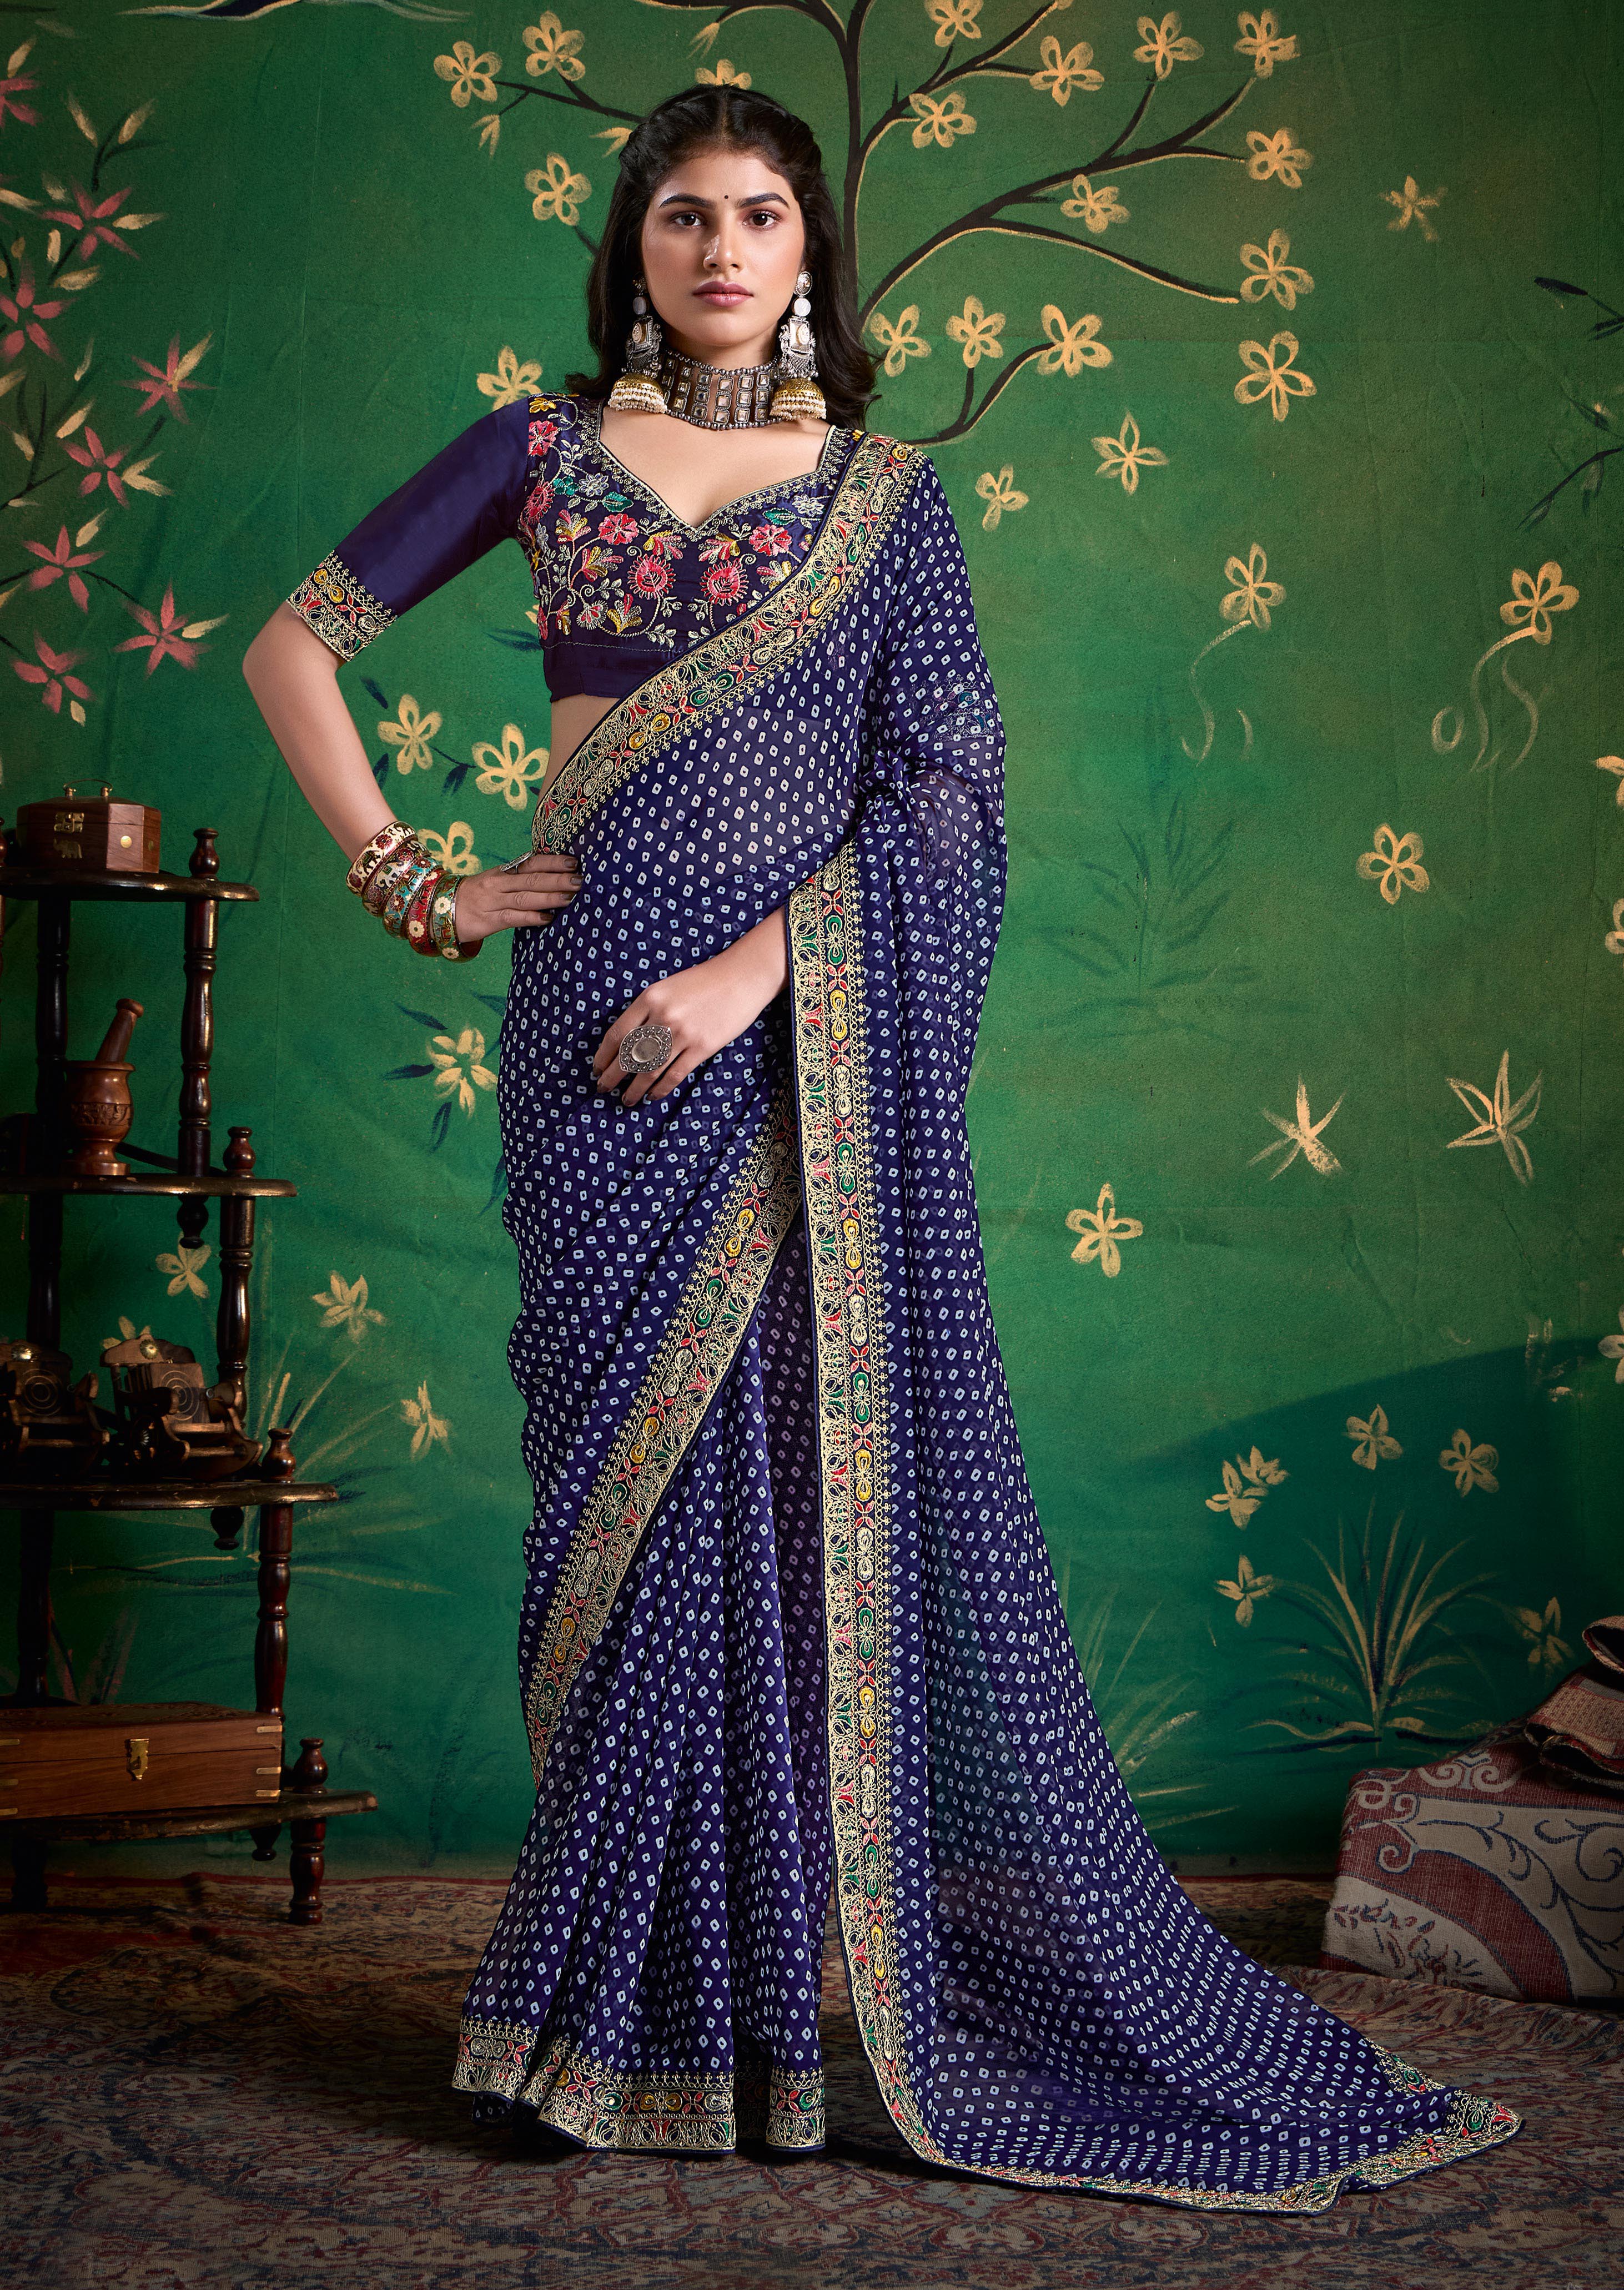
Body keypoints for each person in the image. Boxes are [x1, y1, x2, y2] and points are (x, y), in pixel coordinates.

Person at [243, 84, 1517, 2210]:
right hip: (584, 1055)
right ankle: (618, 2017)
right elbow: (296, 647)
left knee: (757, 1515)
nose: (721, 250)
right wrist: (417, 881)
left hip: (783, 1065)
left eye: (759, 215)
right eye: (682, 215)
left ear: (808, 255)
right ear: (633, 249)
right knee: (615, 1514)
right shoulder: (536, 453)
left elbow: (947, 806)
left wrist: (756, 979)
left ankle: (702, 2023)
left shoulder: (884, 501)